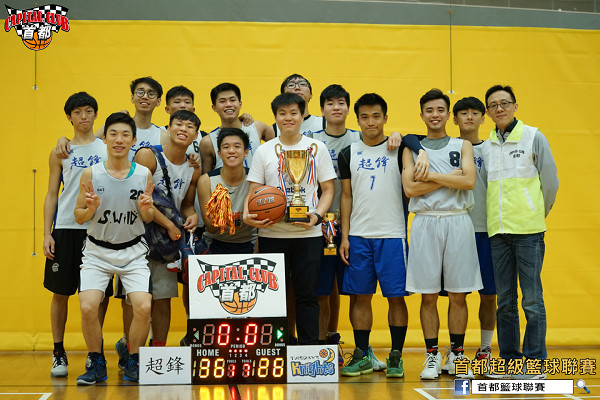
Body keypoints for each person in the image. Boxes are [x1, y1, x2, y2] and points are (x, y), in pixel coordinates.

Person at [402, 88, 482, 380]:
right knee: (428, 296)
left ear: (449, 115)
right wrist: (451, 178)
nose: (435, 115)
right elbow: (410, 189)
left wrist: (431, 175)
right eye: (429, 110)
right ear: (421, 115)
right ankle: (432, 355)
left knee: (459, 295)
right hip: (425, 222)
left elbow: (469, 181)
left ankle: (457, 356)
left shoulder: (463, 145)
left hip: (457, 220)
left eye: (440, 110)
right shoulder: (411, 148)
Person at [243, 93, 336, 345]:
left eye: (293, 113)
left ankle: (307, 350)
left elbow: (328, 189)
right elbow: (253, 191)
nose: (288, 118)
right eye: (282, 113)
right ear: (275, 117)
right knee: (273, 298)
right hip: (271, 234)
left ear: (302, 115)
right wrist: (247, 213)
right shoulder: (264, 150)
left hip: (308, 235)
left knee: (307, 296)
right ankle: (276, 350)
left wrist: (317, 215)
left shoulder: (317, 148)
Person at [483, 85, 558, 378]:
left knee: (532, 300)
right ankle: (511, 361)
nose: (499, 108)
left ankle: (535, 362)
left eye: (505, 103)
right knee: (505, 302)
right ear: (488, 112)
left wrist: (534, 212)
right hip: (498, 233)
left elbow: (550, 183)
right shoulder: (487, 146)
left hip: (529, 232)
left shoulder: (533, 137)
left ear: (515, 106)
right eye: (493, 105)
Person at [74, 112, 154, 384]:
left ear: (134, 140)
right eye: (113, 134)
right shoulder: (91, 173)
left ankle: (133, 359)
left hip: (133, 252)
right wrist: (90, 209)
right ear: (105, 139)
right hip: (97, 251)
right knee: (88, 306)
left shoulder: (143, 173)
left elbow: (147, 218)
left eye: (125, 135)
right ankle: (96, 362)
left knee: (143, 307)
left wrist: (147, 209)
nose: (119, 140)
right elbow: (78, 216)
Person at [338, 93, 409, 379]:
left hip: (392, 235)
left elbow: (418, 141)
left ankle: (396, 356)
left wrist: (401, 136)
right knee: (360, 297)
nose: (371, 122)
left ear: (385, 118)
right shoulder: (348, 153)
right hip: (358, 236)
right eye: (365, 117)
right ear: (357, 120)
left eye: (376, 116)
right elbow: (346, 196)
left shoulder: (400, 149)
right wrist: (345, 236)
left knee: (396, 298)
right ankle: (363, 354)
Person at [42, 92, 111, 378]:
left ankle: (96, 353)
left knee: (98, 296)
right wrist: (47, 233)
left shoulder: (107, 148)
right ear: (69, 117)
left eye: (88, 111)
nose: (84, 116)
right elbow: (51, 194)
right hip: (66, 229)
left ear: (96, 115)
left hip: (99, 230)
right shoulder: (61, 151)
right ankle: (58, 352)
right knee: (61, 293)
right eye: (78, 112)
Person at [133, 110, 201, 347]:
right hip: (138, 237)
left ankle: (157, 352)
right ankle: (131, 353)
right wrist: (170, 224)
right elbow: (138, 200)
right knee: (135, 300)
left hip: (166, 242)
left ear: (196, 135)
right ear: (168, 128)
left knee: (162, 298)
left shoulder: (193, 167)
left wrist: (192, 216)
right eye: (179, 124)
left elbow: (187, 205)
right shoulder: (147, 156)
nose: (183, 129)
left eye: (190, 126)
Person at [450, 97, 497, 368]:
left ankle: (485, 349)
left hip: (489, 232)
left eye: (475, 113)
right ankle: (456, 351)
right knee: (457, 295)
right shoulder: (447, 147)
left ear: (483, 117)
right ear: (454, 119)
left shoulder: (493, 149)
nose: (469, 117)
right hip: (457, 230)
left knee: (489, 295)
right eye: (463, 113)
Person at [54, 77, 168, 160]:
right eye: (140, 92)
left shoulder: (162, 136)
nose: (145, 96)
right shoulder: (115, 126)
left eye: (151, 94)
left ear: (158, 101)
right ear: (132, 98)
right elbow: (87, 143)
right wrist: (63, 140)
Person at [198, 128, 257, 254]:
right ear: (219, 153)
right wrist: (221, 208)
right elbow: (211, 228)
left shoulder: (255, 179)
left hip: (249, 242)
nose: (231, 151)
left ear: (246, 152)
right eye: (226, 147)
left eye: (237, 146)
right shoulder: (206, 181)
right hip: (215, 242)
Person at [199, 82, 274, 173]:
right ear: (214, 107)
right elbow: (207, 177)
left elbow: (281, 147)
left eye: (232, 100)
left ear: (240, 104)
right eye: (222, 101)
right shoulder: (208, 142)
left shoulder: (258, 127)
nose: (228, 104)